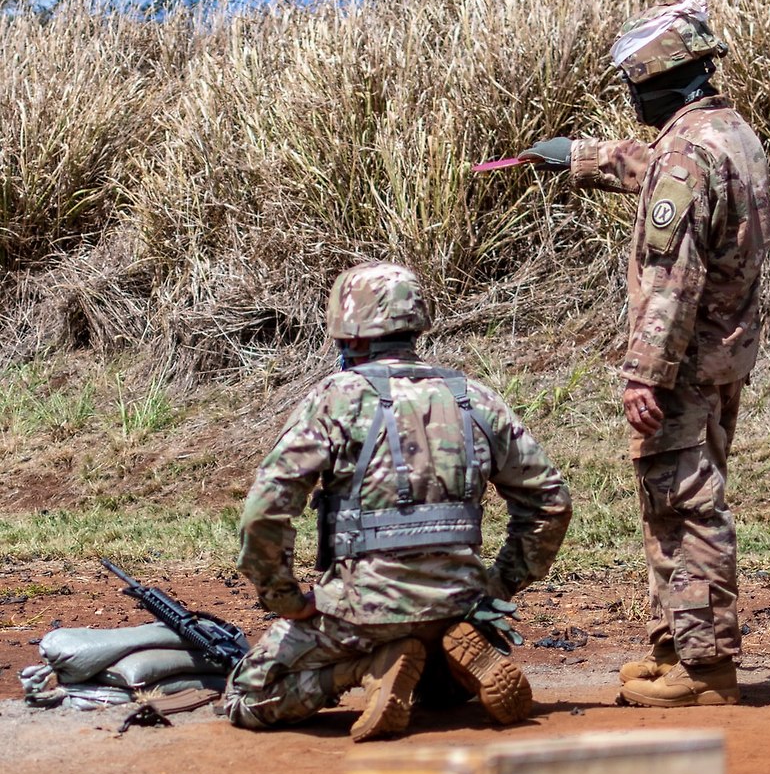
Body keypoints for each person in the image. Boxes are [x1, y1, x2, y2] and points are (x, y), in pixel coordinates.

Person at [522, 0, 770, 707]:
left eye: (635, 84)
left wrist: (645, 374)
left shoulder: (687, 153)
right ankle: (674, 649)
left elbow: (671, 279)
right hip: (724, 356)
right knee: (679, 500)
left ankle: (704, 665)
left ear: (664, 79)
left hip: (686, 363)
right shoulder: (728, 134)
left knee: (686, 506)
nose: (632, 97)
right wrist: (582, 159)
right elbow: (660, 171)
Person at [222, 261, 572, 739]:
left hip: (364, 612)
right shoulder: (474, 397)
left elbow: (265, 508)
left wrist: (284, 597)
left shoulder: (338, 398)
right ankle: (444, 655)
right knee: (437, 688)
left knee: (245, 698)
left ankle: (366, 668)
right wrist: (499, 585)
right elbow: (549, 499)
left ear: (350, 331)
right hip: (460, 603)